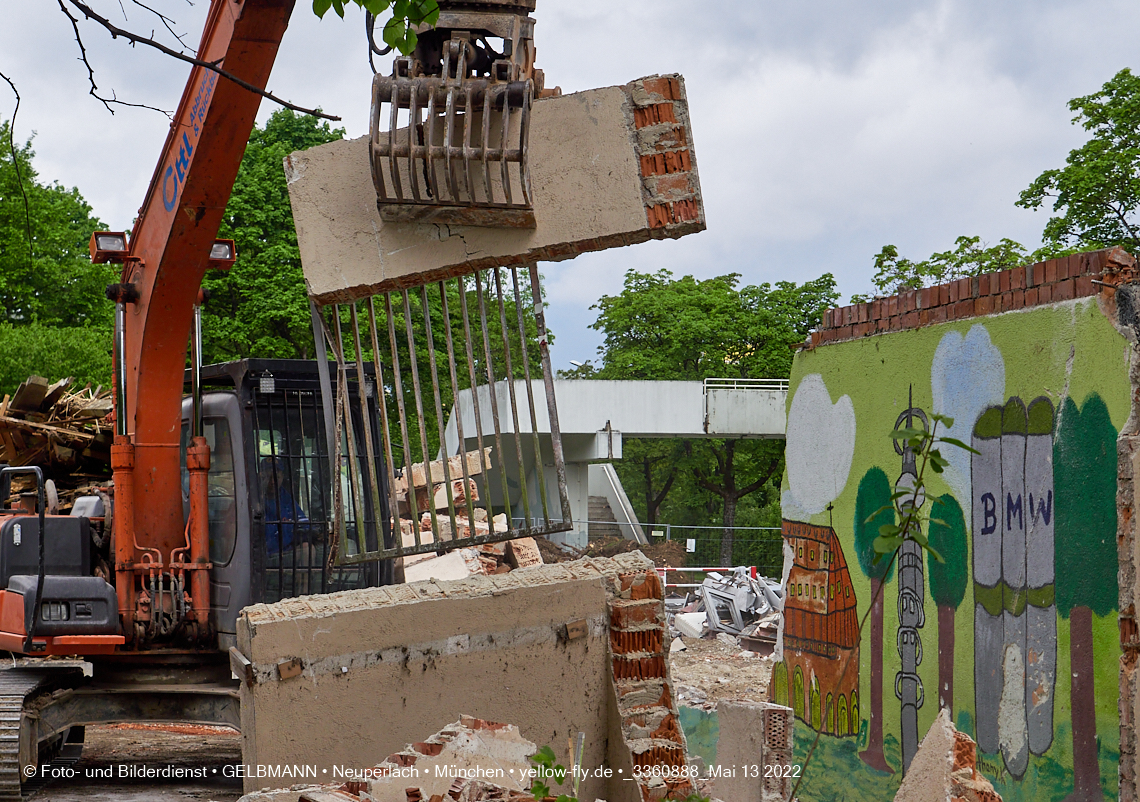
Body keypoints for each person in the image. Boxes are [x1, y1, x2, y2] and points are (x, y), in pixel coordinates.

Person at [261, 456, 308, 555]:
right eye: (269, 477)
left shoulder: (286, 499)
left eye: (277, 477)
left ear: (282, 477)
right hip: (263, 556)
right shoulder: (253, 499)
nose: (273, 482)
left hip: (285, 551)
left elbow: (303, 523)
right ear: (260, 476)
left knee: (307, 548)